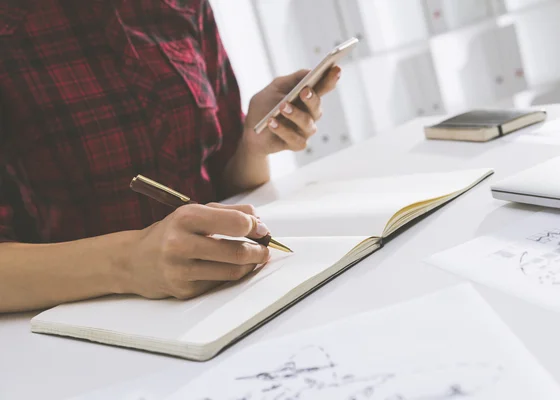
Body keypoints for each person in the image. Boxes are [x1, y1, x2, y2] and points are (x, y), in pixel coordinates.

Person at [0, 0, 341, 313]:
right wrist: (131, 261)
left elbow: (219, 181)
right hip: (77, 339)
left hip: (219, 304)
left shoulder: (184, 6)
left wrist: (253, 145)